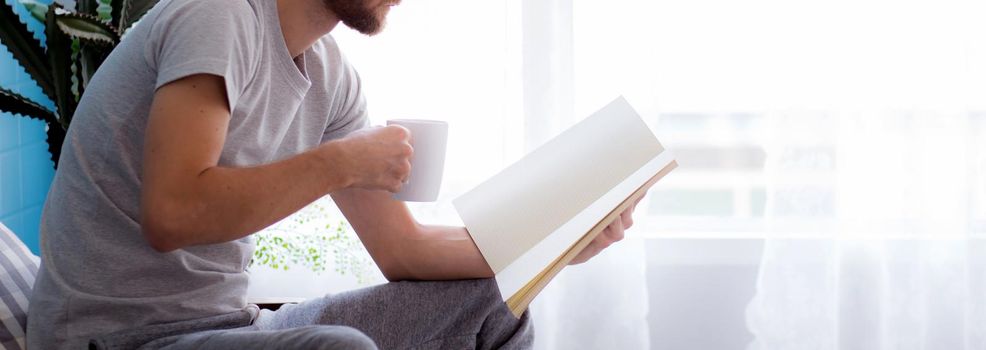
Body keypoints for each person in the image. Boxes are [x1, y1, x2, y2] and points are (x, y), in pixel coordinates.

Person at [25, 0, 643, 348]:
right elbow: (174, 213)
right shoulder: (217, 14)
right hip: (118, 338)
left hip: (230, 326)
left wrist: (557, 244)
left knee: (495, 302)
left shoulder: (330, 77)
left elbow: (406, 251)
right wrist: (343, 161)